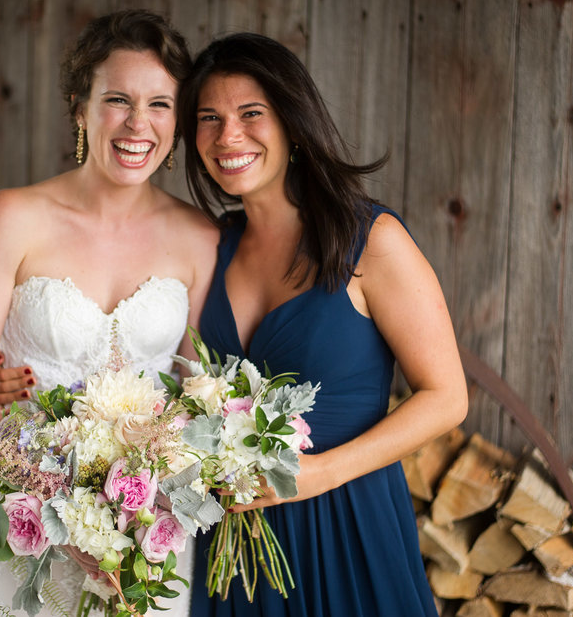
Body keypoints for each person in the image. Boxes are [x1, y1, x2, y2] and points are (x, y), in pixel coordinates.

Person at [0, 9, 218, 617]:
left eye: (160, 105)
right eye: (118, 99)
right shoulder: (11, 218)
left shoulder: (201, 238)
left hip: (151, 533)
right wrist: (63, 505)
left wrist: (136, 509)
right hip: (31, 523)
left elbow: (201, 396)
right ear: (79, 107)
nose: (138, 123)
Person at [177, 33, 468, 616]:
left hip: (349, 522)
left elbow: (447, 398)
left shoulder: (371, 240)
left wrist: (323, 473)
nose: (228, 136)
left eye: (250, 114)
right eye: (209, 118)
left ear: (291, 121)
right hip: (237, 549)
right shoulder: (209, 247)